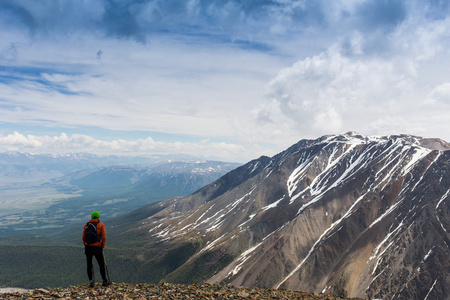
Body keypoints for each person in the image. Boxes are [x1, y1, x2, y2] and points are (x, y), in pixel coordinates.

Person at [82, 211, 111, 287]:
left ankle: (91, 282)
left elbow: (83, 237)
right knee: (101, 264)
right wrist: (102, 245)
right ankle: (104, 281)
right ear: (98, 217)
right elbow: (103, 237)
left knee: (89, 264)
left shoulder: (87, 225)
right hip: (97, 247)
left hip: (88, 247)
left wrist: (85, 244)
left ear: (91, 217)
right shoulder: (100, 225)